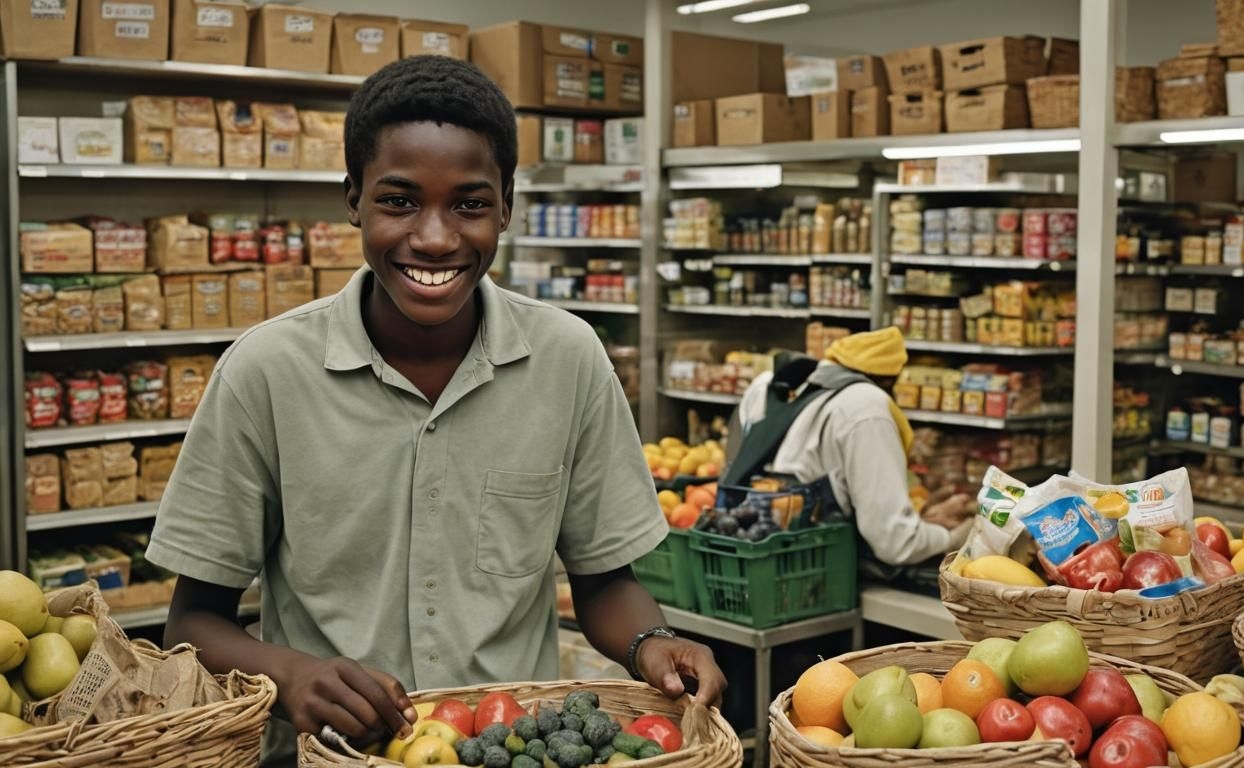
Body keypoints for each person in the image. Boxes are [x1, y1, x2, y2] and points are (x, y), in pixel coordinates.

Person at [144, 56, 725, 766]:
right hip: (333, 755)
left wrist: (651, 644)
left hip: (514, 749)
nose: (435, 237)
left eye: (469, 205)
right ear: (353, 199)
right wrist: (290, 675)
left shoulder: (568, 359)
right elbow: (192, 621)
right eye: (399, 201)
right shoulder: (265, 373)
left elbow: (603, 581)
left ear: (506, 206)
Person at [731, 327, 974, 567]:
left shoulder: (770, 385)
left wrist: (926, 520)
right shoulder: (867, 405)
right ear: (888, 380)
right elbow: (894, 542)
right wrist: (954, 538)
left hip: (742, 548)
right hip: (814, 567)